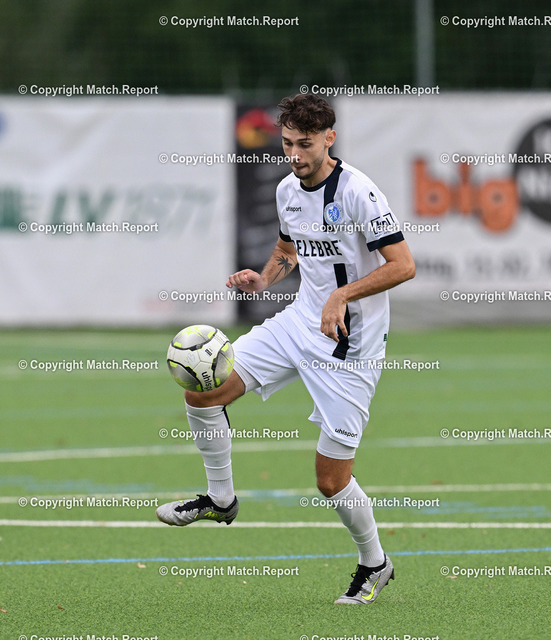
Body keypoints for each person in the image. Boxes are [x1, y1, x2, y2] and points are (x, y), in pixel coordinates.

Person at [156, 93, 415, 604]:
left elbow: (403, 265)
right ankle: (220, 499)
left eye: (305, 144)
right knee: (203, 391)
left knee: (330, 481)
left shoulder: (359, 192)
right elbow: (287, 249)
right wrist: (264, 278)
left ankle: (374, 562)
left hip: (351, 348)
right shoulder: (286, 190)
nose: (294, 154)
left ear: (329, 139)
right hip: (298, 324)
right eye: (288, 143)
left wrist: (342, 295)